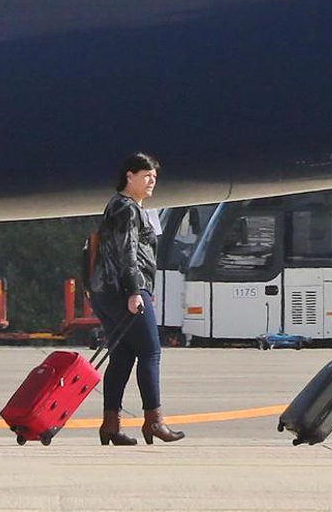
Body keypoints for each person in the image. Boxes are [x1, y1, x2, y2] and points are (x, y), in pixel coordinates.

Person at [90, 153, 182, 446]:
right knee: (151, 352)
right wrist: (134, 291)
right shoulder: (128, 209)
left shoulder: (119, 206)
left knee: (122, 357)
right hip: (124, 290)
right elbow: (127, 252)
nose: (151, 181)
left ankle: (110, 425)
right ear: (129, 177)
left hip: (105, 291)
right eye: (146, 176)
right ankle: (154, 421)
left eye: (154, 177)